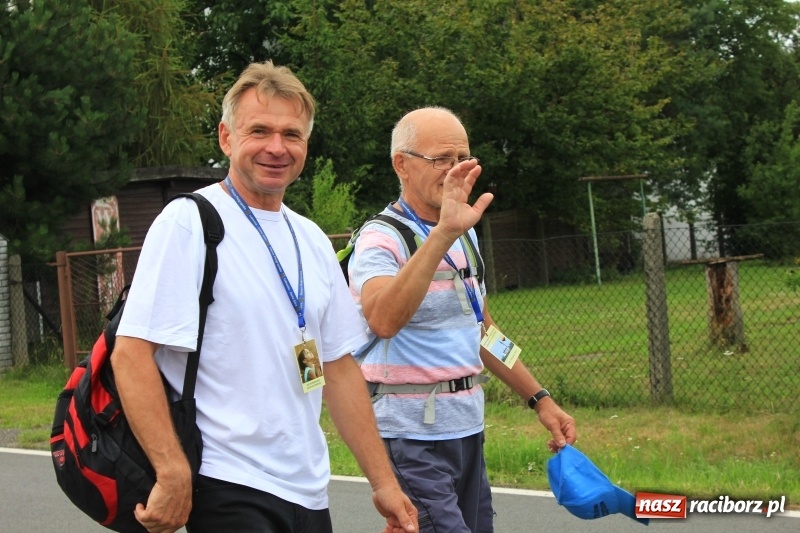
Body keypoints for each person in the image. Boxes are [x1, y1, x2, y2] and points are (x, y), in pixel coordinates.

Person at [110, 61, 418, 533]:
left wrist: (383, 482)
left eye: (291, 135)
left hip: (308, 490)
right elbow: (131, 354)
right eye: (260, 131)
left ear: (306, 146)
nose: (276, 147)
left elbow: (334, 367)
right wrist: (173, 471)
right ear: (226, 138)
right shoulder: (189, 223)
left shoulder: (311, 238)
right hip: (226, 482)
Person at [347, 106, 578, 532]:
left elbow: (484, 332)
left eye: (463, 158)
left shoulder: (465, 232)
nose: (456, 171)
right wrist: (442, 236)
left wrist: (540, 399)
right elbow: (382, 319)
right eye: (441, 160)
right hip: (409, 437)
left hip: (466, 428)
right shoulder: (381, 237)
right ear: (402, 164)